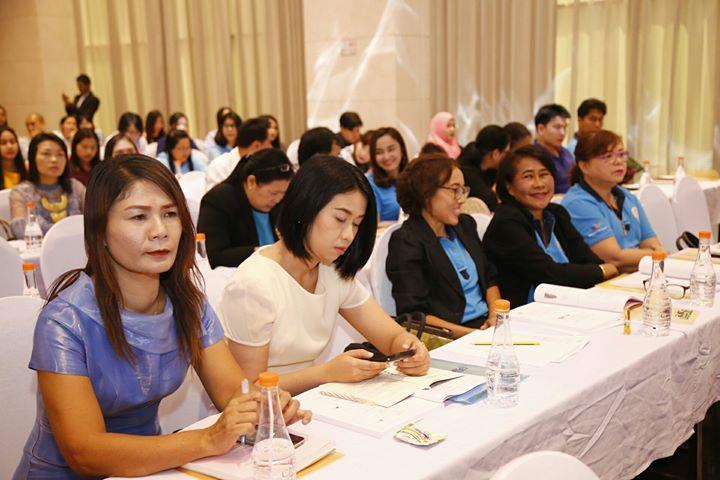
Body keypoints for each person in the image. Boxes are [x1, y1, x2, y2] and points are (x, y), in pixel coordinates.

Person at [13, 155, 308, 478]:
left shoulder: (187, 303)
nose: (160, 231)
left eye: (170, 214)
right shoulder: (64, 321)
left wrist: (265, 407)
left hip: (151, 469)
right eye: (138, 217)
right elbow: (85, 453)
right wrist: (208, 438)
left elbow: (230, 393)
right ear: (100, 230)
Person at [217, 156, 430, 394]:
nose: (349, 235)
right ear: (305, 208)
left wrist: (410, 348)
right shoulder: (254, 284)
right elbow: (249, 391)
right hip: (268, 411)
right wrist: (325, 373)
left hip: (312, 400)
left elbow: (390, 337)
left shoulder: (331, 270)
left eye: (356, 223)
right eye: (340, 219)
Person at [483, 145, 619, 307]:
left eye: (544, 174)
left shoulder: (556, 213)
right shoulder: (506, 223)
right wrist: (603, 270)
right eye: (528, 176)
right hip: (525, 310)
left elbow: (587, 259)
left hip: (566, 303)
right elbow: (550, 274)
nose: (539, 184)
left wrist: (600, 269)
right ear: (509, 187)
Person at [386, 154, 501, 338]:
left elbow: (489, 278)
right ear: (426, 193)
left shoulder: (465, 225)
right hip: (451, 336)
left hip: (485, 327)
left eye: (463, 190)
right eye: (454, 190)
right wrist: (472, 335)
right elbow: (415, 315)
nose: (462, 199)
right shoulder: (406, 241)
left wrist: (495, 316)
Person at [562, 130, 665, 272]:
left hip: (637, 274)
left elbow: (653, 244)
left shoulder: (627, 196)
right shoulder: (578, 203)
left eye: (622, 154)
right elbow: (615, 258)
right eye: (607, 156)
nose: (618, 162)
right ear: (584, 166)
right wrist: (655, 255)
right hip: (604, 281)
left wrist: (653, 254)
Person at [198, 149, 294, 268]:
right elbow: (214, 256)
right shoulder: (219, 200)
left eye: (283, 193)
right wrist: (261, 253)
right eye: (273, 193)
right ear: (251, 182)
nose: (278, 199)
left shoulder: (280, 201)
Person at [9, 133, 85, 238]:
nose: (54, 160)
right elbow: (20, 231)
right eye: (46, 154)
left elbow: (96, 218)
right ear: (33, 158)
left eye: (60, 154)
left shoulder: (75, 187)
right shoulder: (21, 193)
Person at [205, 117, 272, 190]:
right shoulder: (219, 167)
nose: (271, 147)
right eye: (269, 142)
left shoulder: (266, 165)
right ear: (256, 145)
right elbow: (215, 196)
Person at [457, 125, 510, 212]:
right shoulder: (467, 171)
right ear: (495, 154)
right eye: (506, 153)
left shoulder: (489, 169)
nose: (507, 157)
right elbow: (491, 202)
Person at [367, 127, 408, 222]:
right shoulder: (371, 185)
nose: (386, 157)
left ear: (401, 149)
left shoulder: (413, 176)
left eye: (391, 149)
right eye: (379, 152)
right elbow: (375, 226)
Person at [534, 104, 574, 194]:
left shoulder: (565, 152)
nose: (562, 133)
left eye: (565, 127)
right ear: (541, 129)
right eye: (557, 127)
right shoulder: (534, 156)